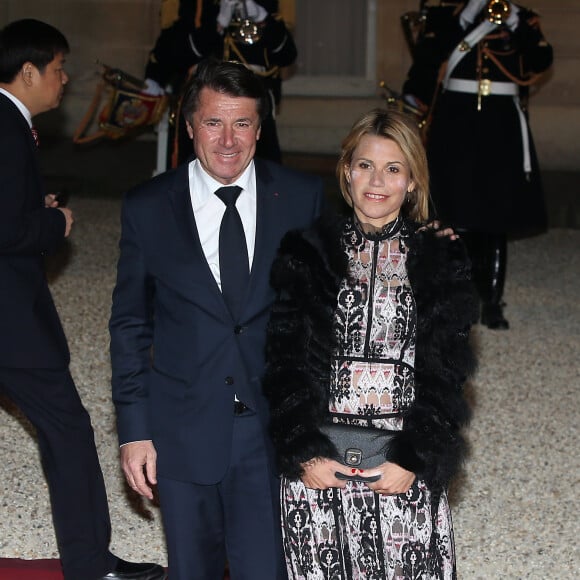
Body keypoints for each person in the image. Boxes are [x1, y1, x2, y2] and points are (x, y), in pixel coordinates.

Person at [109, 58, 325, 580]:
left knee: (266, 570)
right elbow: (130, 325)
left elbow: (328, 303)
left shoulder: (300, 198)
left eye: (243, 123)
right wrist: (134, 431)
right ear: (188, 127)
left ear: (259, 128)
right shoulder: (148, 207)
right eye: (213, 123)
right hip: (182, 430)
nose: (228, 140)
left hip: (270, 430)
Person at [262, 108, 478, 579]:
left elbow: (448, 371)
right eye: (365, 165)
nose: (377, 181)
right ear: (346, 172)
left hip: (401, 465)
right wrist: (304, 452)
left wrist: (412, 458)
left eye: (393, 168)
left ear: (413, 182)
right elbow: (284, 361)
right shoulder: (308, 251)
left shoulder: (440, 256)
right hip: (320, 466)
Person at [0, 18, 166, 580]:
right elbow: (7, 232)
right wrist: (54, 223)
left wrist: (31, 207)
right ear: (28, 72)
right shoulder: (5, 125)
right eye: (57, 68)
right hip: (10, 320)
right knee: (68, 431)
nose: (64, 79)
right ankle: (90, 565)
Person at [402, 0, 553, 329]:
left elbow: (541, 60)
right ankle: (454, 294)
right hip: (457, 116)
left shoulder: (524, 19)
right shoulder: (447, 16)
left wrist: (512, 20)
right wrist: (467, 16)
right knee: (455, 210)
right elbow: (428, 58)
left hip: (502, 123)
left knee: (496, 216)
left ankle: (492, 301)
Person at [143, 0, 297, 167]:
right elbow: (173, 54)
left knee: (261, 167)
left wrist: (263, 19)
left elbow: (287, 55)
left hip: (251, 97)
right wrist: (217, 25)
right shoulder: (195, 6)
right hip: (203, 95)